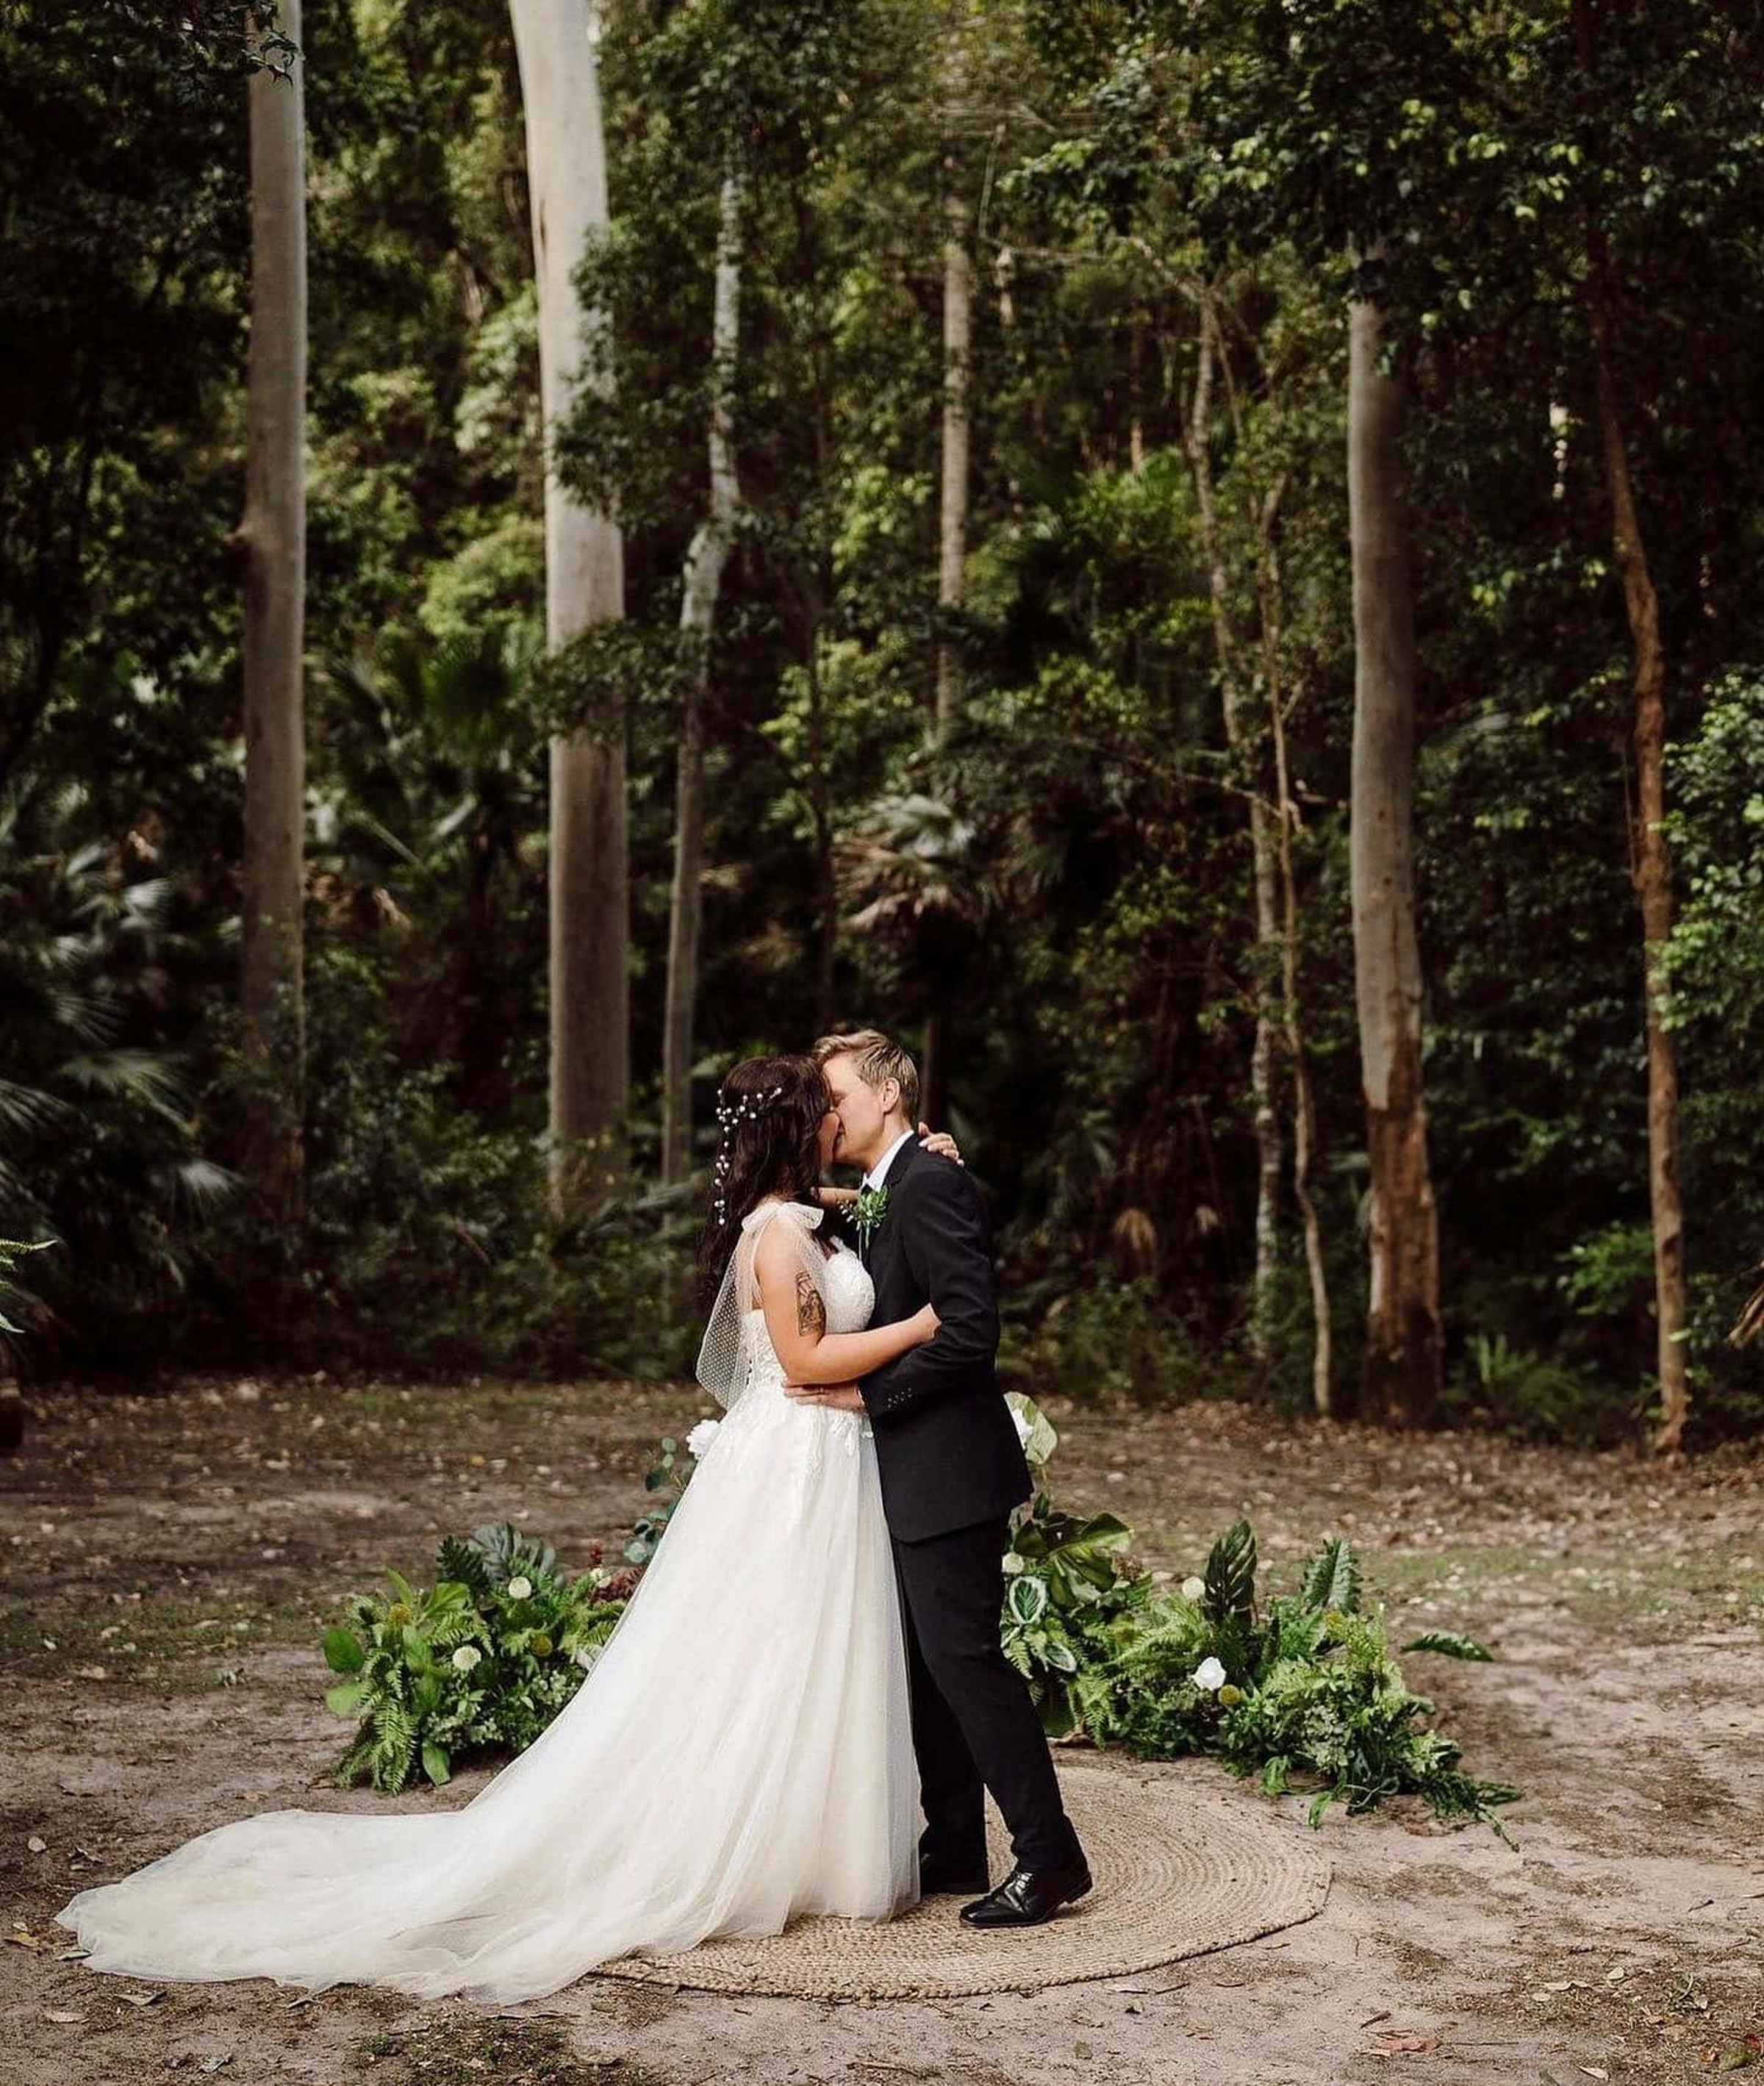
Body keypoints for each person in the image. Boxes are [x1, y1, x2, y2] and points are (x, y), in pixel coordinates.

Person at [54, 1056, 953, 2006]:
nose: (832, 1123)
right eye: (820, 1112)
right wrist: (922, 1325)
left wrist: (906, 1168)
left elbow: (843, 1202)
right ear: (794, 1128)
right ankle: (747, 1832)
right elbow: (807, 1356)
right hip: (794, 1459)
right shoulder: (776, 1239)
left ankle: (812, 1835)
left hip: (822, 1456)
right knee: (769, 1651)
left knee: (813, 1649)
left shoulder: (805, 1214)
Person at [786, 1028, 1091, 1928]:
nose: (827, 1112)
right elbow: (788, 1201)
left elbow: (968, 1333)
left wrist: (864, 1397)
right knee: (926, 1671)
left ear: (887, 1093)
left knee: (967, 1665)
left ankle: (1051, 1857)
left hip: (950, 1470)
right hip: (914, 1473)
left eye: (837, 1094)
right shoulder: (892, 1185)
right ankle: (955, 1843)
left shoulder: (931, 1181)